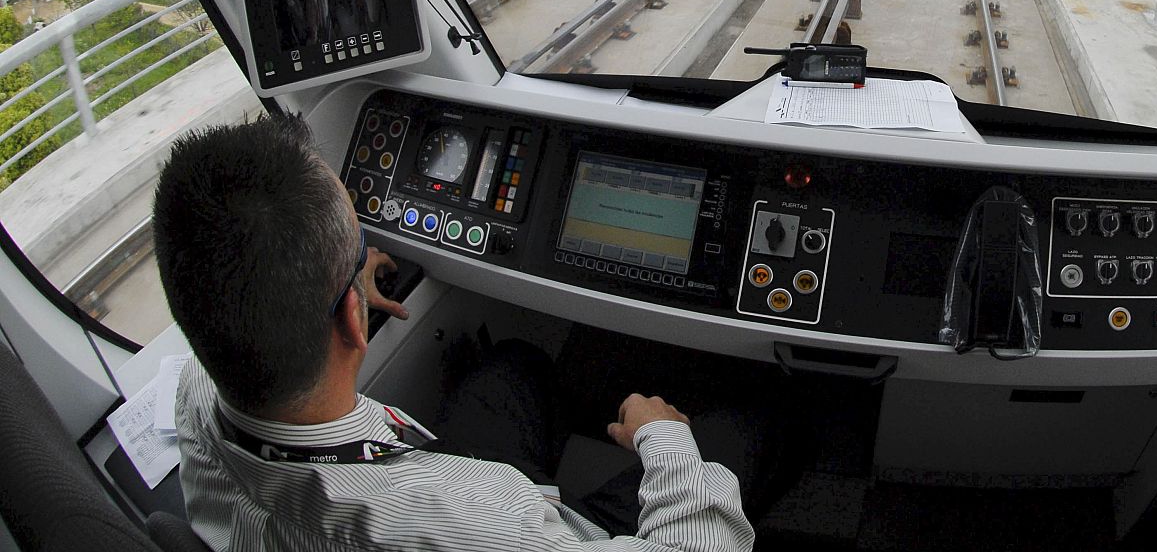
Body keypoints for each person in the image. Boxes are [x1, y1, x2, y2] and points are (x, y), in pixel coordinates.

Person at [151, 113, 754, 552]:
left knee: (515, 369)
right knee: (740, 433)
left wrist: (331, 275)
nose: (370, 254)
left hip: (411, 470)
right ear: (353, 319)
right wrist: (668, 444)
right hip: (536, 524)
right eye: (360, 243)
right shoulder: (476, 528)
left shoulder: (199, 392)